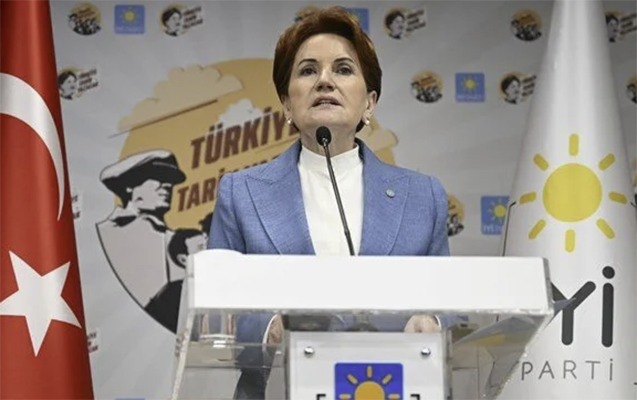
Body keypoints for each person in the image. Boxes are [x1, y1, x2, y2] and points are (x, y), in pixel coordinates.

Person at [207, 7, 453, 400]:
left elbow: (452, 305)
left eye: (343, 69)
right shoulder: (241, 194)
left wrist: (433, 321)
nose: (325, 80)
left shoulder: (423, 197)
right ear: (287, 104)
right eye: (307, 70)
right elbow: (216, 315)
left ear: (369, 103)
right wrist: (270, 328)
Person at [97, 150, 187, 308]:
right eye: (158, 177)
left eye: (170, 180)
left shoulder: (181, 243)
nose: (167, 185)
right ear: (129, 185)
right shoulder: (102, 235)